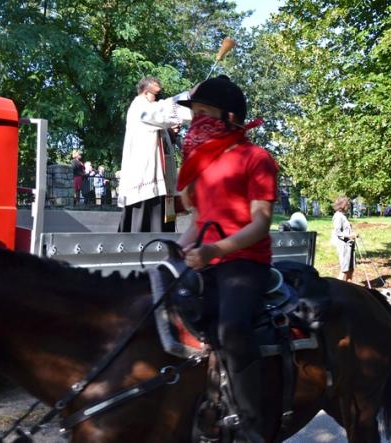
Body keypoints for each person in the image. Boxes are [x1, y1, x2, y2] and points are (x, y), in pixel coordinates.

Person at [176, 75, 275, 442]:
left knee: (231, 328)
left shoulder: (257, 158)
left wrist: (214, 251)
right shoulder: (201, 165)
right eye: (194, 115)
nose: (196, 122)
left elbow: (260, 224)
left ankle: (251, 425)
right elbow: (198, 221)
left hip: (245, 262)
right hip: (205, 260)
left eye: (204, 114)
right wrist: (179, 250)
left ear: (230, 118)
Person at [117, 76, 191, 232]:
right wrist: (190, 96)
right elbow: (161, 111)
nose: (158, 99)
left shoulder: (149, 110)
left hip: (161, 188)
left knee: (161, 233)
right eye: (156, 95)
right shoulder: (139, 107)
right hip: (145, 186)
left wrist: (171, 133)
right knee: (143, 233)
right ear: (145, 92)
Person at [331, 196, 356, 282]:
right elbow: (337, 232)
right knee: (344, 270)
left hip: (349, 245)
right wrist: (349, 236)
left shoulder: (343, 216)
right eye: (348, 205)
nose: (349, 206)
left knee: (351, 268)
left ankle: (350, 287)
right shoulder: (338, 216)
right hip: (343, 246)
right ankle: (336, 287)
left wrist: (352, 234)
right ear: (343, 205)